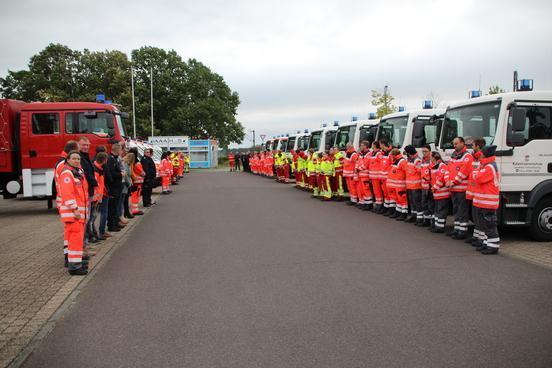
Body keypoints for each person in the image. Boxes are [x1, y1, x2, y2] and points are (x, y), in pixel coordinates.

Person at [58, 151, 89, 275]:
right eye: (74, 158)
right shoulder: (67, 173)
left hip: (78, 214)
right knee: (75, 240)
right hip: (73, 214)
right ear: (68, 160)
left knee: (77, 240)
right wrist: (75, 209)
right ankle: (75, 267)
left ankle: (76, 263)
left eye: (78, 159)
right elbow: (68, 193)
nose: (77, 161)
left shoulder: (76, 173)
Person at [472, 145, 500, 254]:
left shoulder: (489, 167)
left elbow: (477, 177)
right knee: (485, 225)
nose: (481, 154)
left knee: (490, 225)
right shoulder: (486, 165)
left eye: (482, 153)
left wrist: (475, 172)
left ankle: (493, 246)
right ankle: (487, 244)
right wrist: (477, 172)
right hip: (484, 202)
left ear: (486, 154)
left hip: (488, 202)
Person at [55, 140, 79, 261]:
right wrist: (73, 206)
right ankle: (68, 256)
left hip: (65, 202)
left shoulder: (62, 163)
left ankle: (68, 255)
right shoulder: (63, 166)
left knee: (69, 232)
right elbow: (65, 187)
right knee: (71, 232)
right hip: (67, 204)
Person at [447, 137, 474, 239]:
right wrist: (448, 181)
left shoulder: (467, 156)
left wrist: (453, 182)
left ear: (462, 143)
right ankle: (457, 229)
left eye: (456, 143)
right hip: (453, 188)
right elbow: (448, 169)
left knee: (462, 210)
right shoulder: (454, 156)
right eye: (453, 144)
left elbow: (464, 172)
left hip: (462, 189)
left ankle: (462, 231)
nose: (454, 146)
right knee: (456, 210)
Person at [78, 137, 98, 245]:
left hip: (88, 191)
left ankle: (86, 241)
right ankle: (85, 242)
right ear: (78, 145)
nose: (85, 147)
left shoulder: (86, 157)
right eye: (83, 145)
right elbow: (87, 174)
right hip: (85, 192)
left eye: (87, 145)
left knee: (88, 217)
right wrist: (95, 183)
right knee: (85, 218)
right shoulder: (81, 158)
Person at [465, 138, 485, 244]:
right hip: (472, 192)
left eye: (473, 145)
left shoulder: (482, 158)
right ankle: (476, 236)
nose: (471, 147)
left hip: (478, 193)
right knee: (475, 216)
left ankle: (481, 239)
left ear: (478, 146)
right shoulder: (474, 158)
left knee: (479, 217)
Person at [429, 152, 450, 233]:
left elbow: (441, 179)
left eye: (431, 157)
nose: (430, 158)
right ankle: (436, 225)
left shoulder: (442, 166)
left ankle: (440, 227)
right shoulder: (435, 166)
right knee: (437, 210)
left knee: (441, 210)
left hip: (442, 193)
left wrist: (434, 188)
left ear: (434, 157)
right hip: (437, 193)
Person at [387, 148, 408, 220]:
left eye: (392, 155)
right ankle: (398, 212)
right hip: (395, 185)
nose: (391, 156)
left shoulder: (402, 161)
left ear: (394, 154)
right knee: (397, 200)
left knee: (402, 200)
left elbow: (406, 172)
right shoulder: (395, 160)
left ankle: (404, 213)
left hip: (400, 185)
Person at [106, 143, 124, 232]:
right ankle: (111, 225)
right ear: (117, 150)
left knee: (116, 206)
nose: (121, 151)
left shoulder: (115, 159)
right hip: (113, 187)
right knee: (112, 207)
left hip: (117, 186)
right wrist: (120, 174)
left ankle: (115, 222)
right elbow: (111, 173)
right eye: (120, 150)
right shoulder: (111, 159)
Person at [90, 152, 108, 241]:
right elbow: (96, 186)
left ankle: (94, 234)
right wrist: (97, 198)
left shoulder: (98, 169)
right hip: (95, 199)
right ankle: (92, 235)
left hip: (97, 197)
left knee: (93, 218)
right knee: (92, 218)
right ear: (104, 160)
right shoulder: (96, 171)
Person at [404, 145, 423, 224]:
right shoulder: (410, 159)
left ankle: (419, 218)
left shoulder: (417, 160)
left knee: (417, 202)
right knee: (412, 202)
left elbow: (420, 171)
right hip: (410, 185)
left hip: (416, 185)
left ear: (409, 152)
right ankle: (413, 215)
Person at [355, 141, 373, 210]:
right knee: (362, 190)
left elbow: (366, 164)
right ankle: (365, 203)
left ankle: (369, 204)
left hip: (365, 175)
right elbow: (358, 162)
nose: (360, 147)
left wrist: (358, 168)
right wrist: (356, 168)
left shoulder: (369, 154)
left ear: (365, 146)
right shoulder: (361, 154)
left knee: (366, 190)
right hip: (360, 175)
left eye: (362, 145)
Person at [369, 141, 385, 213]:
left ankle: (380, 204)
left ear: (375, 145)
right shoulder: (373, 153)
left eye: (372, 144)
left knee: (378, 191)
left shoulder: (379, 154)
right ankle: (378, 204)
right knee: (376, 191)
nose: (371, 145)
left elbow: (381, 163)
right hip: (373, 176)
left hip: (377, 176)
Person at [379, 140, 394, 216]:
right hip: (383, 177)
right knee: (385, 193)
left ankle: (391, 209)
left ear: (383, 144)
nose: (379, 146)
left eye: (380, 144)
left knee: (390, 194)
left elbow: (392, 165)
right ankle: (386, 207)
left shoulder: (390, 153)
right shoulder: (382, 153)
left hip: (388, 177)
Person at [419, 145, 433, 226]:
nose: (424, 153)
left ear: (430, 151)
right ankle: (426, 220)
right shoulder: (423, 161)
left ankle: (432, 221)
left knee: (431, 205)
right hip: (423, 186)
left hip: (430, 186)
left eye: (425, 151)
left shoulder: (432, 160)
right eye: (423, 151)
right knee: (424, 204)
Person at [130, 151, 145, 216]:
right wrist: (144, 174)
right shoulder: (137, 163)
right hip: (138, 181)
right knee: (136, 196)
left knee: (134, 195)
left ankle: (134, 209)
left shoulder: (131, 163)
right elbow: (141, 172)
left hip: (133, 181)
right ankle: (135, 210)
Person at [121, 153, 134, 219]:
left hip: (127, 184)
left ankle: (126, 212)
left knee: (126, 199)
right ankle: (126, 213)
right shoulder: (125, 164)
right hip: (125, 185)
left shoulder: (126, 164)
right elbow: (125, 175)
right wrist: (129, 183)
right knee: (125, 200)